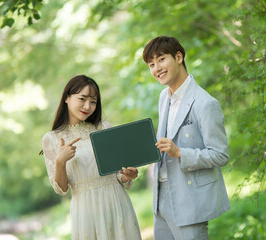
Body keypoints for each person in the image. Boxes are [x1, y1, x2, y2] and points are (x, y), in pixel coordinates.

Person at [142, 36, 230, 240]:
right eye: (151, 64)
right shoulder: (163, 97)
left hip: (190, 202)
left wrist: (180, 152)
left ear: (179, 57)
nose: (156, 68)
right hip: (160, 201)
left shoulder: (205, 103)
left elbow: (220, 154)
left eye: (161, 59)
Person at [41, 75, 142, 240]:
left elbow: (117, 174)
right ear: (67, 97)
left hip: (117, 203)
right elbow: (61, 188)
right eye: (82, 99)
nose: (87, 106)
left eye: (93, 101)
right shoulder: (51, 138)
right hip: (85, 211)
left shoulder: (104, 128)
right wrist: (60, 161)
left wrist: (127, 175)